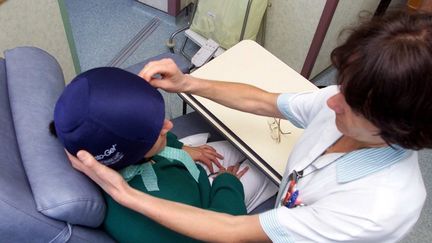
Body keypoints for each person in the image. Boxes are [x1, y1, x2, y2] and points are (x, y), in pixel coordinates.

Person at [68, 10, 431, 242]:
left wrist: (124, 193)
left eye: (350, 104)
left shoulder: (377, 208)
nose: (329, 99)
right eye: (342, 84)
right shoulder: (346, 102)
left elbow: (233, 229)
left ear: (398, 128)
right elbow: (265, 102)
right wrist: (187, 84)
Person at [51, 67, 276, 242]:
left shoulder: (122, 152)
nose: (169, 125)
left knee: (245, 142)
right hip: (212, 208)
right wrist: (228, 182)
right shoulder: (146, 227)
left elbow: (159, 141)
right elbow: (225, 230)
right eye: (157, 134)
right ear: (131, 154)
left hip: (182, 173)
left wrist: (182, 150)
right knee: (268, 167)